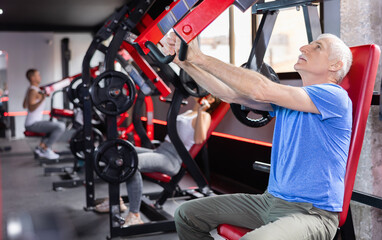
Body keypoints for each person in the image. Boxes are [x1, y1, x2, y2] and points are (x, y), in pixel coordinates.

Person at [162, 32, 353, 240]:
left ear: (335, 65)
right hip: (270, 201)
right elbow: (229, 94)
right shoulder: (291, 99)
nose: (303, 48)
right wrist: (185, 62)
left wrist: (200, 57)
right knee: (187, 214)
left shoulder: (335, 97)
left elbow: (260, 89)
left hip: (311, 213)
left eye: (317, 47)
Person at [95, 95, 221, 227]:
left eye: (207, 94)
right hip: (161, 150)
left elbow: (200, 140)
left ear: (211, 100)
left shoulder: (205, 116)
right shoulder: (189, 112)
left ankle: (134, 215)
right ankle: (116, 201)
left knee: (134, 163)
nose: (200, 93)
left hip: (171, 159)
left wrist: (201, 111)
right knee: (121, 152)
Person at [23, 69, 65, 160]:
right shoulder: (33, 91)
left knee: (53, 125)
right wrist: (42, 99)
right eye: (38, 75)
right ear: (32, 78)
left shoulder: (32, 89)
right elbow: (30, 107)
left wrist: (40, 96)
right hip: (32, 124)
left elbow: (24, 105)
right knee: (60, 126)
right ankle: (45, 149)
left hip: (33, 122)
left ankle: (41, 147)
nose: (40, 77)